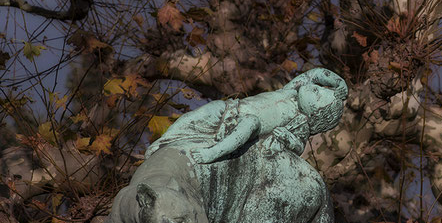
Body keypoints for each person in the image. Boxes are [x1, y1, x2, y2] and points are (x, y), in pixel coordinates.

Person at [144, 68, 348, 164]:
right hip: (231, 109)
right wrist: (339, 83)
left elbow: (298, 146)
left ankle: (212, 153)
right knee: (195, 116)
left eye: (320, 95)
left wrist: (288, 138)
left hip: (248, 126)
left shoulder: (300, 122)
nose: (316, 89)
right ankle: (165, 141)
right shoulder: (290, 91)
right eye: (321, 88)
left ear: (316, 114)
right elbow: (314, 74)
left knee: (250, 123)